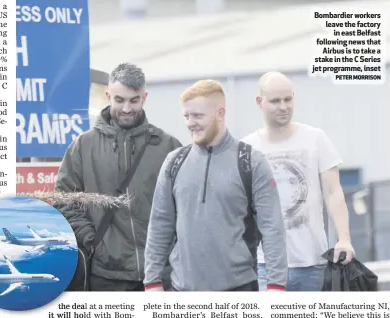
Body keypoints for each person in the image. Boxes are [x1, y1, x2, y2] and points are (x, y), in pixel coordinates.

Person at [143, 79, 288, 292]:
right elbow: (159, 225)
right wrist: (152, 281)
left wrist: (276, 286)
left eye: (198, 116)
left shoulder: (251, 162)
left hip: (238, 291)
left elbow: (272, 228)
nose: (190, 122)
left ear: (220, 114)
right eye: (186, 116)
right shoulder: (174, 162)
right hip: (182, 292)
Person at [55, 62, 182, 291]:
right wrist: (91, 240)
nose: (126, 108)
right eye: (119, 100)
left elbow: (184, 204)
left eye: (134, 100)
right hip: (106, 274)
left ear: (145, 97)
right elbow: (65, 199)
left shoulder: (168, 146)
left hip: (160, 273)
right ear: (108, 96)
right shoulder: (83, 146)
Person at [242, 71, 355, 292]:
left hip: (313, 263)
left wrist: (344, 238)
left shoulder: (315, 139)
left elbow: (333, 193)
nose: (283, 106)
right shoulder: (247, 148)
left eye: (288, 99)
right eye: (275, 101)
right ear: (259, 102)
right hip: (266, 265)